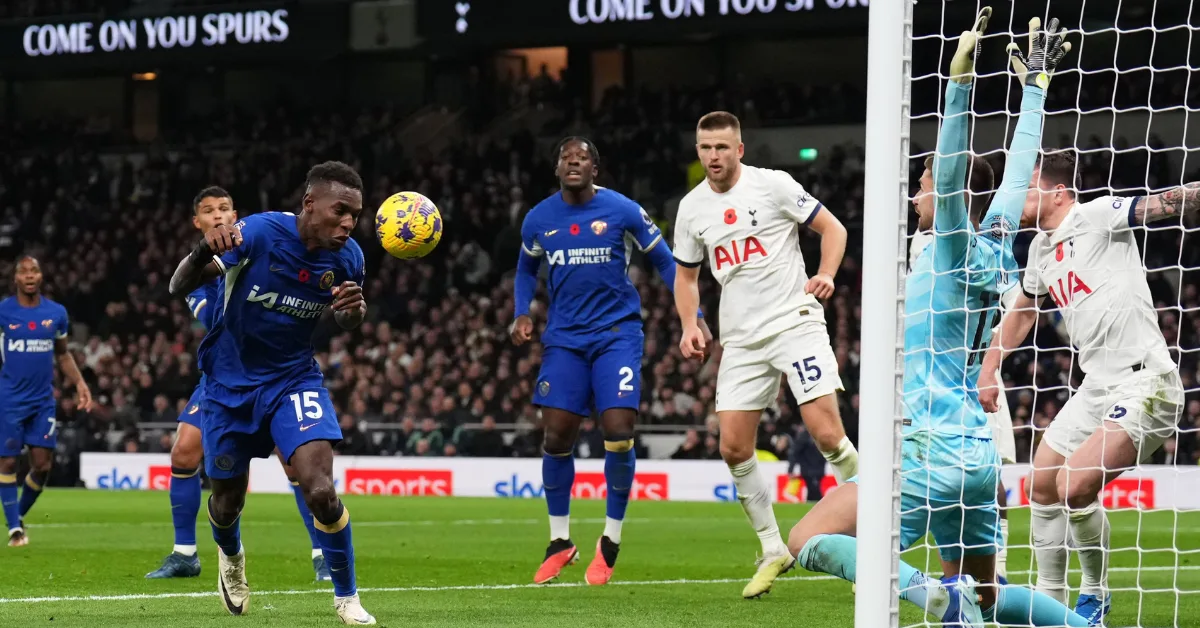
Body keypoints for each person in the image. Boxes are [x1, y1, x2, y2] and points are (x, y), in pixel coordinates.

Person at [785, 11, 1090, 626]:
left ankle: (927, 592)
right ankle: (1080, 626)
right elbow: (1013, 171)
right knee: (984, 598)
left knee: (805, 540)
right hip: (981, 456)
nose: (917, 193)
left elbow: (953, 169)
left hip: (930, 450)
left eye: (920, 184)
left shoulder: (950, 246)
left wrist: (959, 82)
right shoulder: (999, 239)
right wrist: (1035, 89)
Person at [979, 153, 1196, 625]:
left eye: (1029, 187)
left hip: (1146, 380)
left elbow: (1162, 204)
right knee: (1040, 484)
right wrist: (989, 365)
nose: (1018, 198)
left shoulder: (1096, 216)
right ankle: (1049, 600)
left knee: (1074, 486)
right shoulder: (1037, 249)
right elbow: (1022, 312)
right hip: (1096, 385)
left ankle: (1094, 596)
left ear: (1058, 192)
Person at [168, 162, 374, 624]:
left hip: (292, 380)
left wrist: (353, 312)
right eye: (340, 211)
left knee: (320, 489)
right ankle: (232, 557)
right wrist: (203, 250)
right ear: (309, 204)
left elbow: (345, 320)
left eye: (355, 216)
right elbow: (178, 285)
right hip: (226, 385)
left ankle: (347, 596)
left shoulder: (350, 258)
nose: (348, 223)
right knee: (226, 502)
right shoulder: (259, 234)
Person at [672, 108, 857, 598]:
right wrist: (690, 323)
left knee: (828, 435)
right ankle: (773, 547)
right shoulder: (691, 209)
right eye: (705, 147)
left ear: (740, 150)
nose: (713, 155)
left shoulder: (772, 185)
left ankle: (878, 528)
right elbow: (685, 277)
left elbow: (833, 229)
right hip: (741, 339)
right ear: (698, 151)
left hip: (793, 321)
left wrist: (827, 274)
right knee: (733, 447)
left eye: (721, 147)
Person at [511, 136, 711, 586]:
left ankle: (611, 539)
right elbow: (526, 268)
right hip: (564, 340)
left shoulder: (623, 210)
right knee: (557, 436)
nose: (574, 163)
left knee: (618, 431)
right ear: (558, 168)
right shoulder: (538, 218)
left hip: (616, 335)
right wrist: (522, 311)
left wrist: (692, 317)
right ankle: (559, 541)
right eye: (567, 158)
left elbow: (665, 262)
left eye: (582, 158)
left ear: (595, 169)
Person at [146, 187, 332, 582]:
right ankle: (185, 554)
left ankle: (321, 553)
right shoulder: (197, 275)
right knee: (183, 453)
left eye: (225, 208)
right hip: (224, 373)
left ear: (236, 215)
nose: (218, 215)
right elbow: (219, 317)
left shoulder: (259, 248)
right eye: (209, 211)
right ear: (198, 223)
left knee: (294, 462)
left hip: (276, 373)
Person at [0, 256, 94, 547]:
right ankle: (15, 528)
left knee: (42, 465)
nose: (29, 276)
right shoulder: (3, 312)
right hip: (10, 399)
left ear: (41, 276)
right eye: (24, 271)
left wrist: (79, 383)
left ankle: (15, 516)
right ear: (16, 278)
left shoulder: (56, 314)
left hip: (42, 401)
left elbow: (63, 354)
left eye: (35, 270)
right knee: (7, 461)